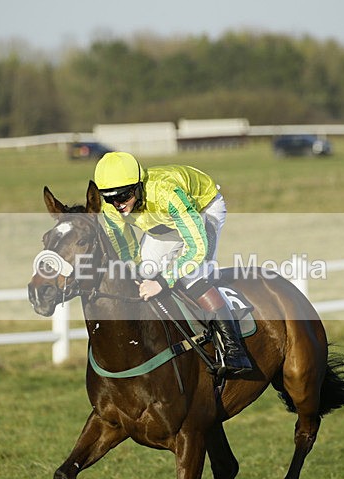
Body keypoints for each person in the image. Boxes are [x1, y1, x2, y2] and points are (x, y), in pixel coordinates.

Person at [94, 151, 252, 375]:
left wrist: (163, 281)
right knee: (143, 272)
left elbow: (197, 247)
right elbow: (126, 251)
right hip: (162, 223)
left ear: (139, 186)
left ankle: (235, 351)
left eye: (124, 195)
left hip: (201, 209)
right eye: (110, 198)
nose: (118, 204)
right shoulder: (111, 207)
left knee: (193, 275)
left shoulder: (166, 193)